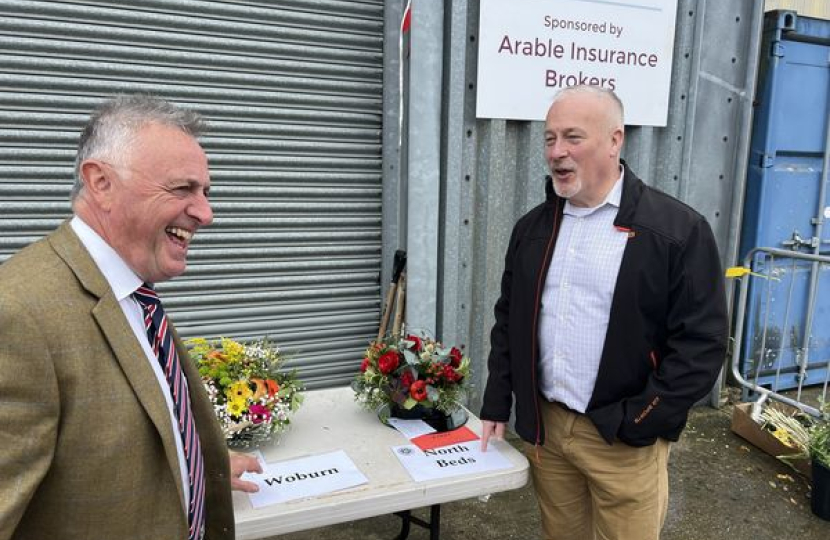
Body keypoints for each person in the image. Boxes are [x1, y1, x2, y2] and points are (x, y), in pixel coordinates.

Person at [0, 94, 262, 540]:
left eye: (205, 191)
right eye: (182, 189)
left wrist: (190, 462)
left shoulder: (131, 291)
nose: (205, 213)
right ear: (100, 182)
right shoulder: (18, 313)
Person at [479, 85, 728, 540]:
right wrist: (498, 400)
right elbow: (509, 318)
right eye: (550, 138)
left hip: (622, 439)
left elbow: (701, 346)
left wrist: (640, 418)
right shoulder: (533, 228)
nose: (557, 152)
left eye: (573, 137)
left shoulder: (676, 231)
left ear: (615, 140)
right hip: (549, 433)